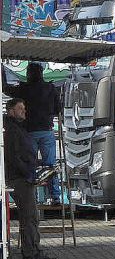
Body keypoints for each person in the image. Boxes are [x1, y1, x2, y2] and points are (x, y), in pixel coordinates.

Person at [6, 63, 63, 204]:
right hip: (47, 130)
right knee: (50, 166)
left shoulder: (24, 89)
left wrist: (2, 69)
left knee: (30, 163)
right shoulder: (51, 88)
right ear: (42, 73)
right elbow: (58, 108)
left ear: (29, 74)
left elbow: (7, 89)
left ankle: (33, 196)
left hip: (29, 131)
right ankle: (55, 196)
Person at [4, 98, 52, 259]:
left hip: (23, 176)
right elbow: (14, 156)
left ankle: (32, 249)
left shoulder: (17, 128)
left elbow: (22, 155)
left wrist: (37, 165)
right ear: (11, 111)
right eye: (20, 108)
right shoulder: (11, 130)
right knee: (30, 216)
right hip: (20, 178)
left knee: (30, 216)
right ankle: (31, 252)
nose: (24, 111)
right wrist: (29, 173)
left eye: (24, 108)